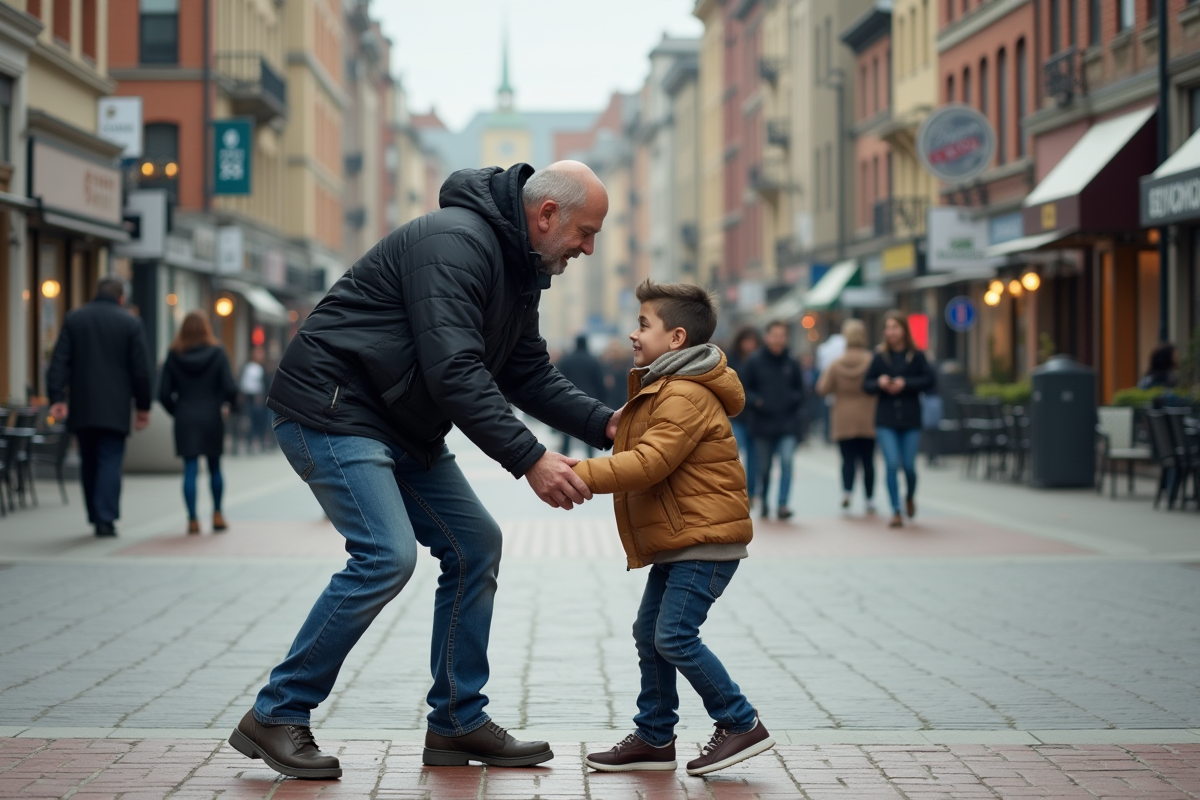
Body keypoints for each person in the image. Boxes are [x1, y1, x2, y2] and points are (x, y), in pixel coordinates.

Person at [227, 161, 618, 780]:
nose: (588, 248)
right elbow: (455, 370)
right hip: (333, 408)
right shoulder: (455, 242)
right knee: (386, 555)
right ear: (546, 215)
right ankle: (277, 712)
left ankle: (457, 719)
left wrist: (608, 426)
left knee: (474, 545)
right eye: (585, 231)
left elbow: (527, 374)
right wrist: (531, 459)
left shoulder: (519, 270)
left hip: (399, 424)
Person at [573, 280, 774, 777]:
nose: (634, 334)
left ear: (677, 337)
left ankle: (740, 722)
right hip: (683, 540)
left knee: (675, 636)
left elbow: (647, 463)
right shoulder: (665, 386)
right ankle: (655, 736)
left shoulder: (683, 394)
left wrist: (574, 474)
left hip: (704, 541)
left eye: (644, 325)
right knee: (651, 633)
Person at [47, 277, 152, 538]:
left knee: (89, 460)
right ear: (120, 298)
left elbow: (58, 361)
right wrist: (143, 406)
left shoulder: (75, 318)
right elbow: (141, 370)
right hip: (115, 407)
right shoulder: (130, 323)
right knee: (109, 460)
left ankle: (95, 514)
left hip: (82, 405)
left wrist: (57, 398)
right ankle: (105, 518)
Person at [158, 311, 239, 535]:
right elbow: (230, 388)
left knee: (190, 469)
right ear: (206, 328)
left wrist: (178, 412)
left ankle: (192, 519)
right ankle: (217, 514)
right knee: (215, 468)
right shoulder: (218, 352)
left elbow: (164, 393)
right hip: (212, 415)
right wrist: (226, 405)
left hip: (185, 416)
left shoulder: (174, 354)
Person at [863, 311, 936, 528]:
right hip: (886, 420)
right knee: (892, 463)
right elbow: (866, 385)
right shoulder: (879, 356)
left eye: (895, 327)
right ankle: (895, 509)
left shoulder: (917, 355)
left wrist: (906, 383)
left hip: (910, 419)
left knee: (909, 466)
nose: (891, 332)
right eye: (888, 327)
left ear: (904, 329)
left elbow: (930, 380)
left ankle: (910, 497)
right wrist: (880, 383)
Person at [742, 321, 805, 520]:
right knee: (765, 467)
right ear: (767, 337)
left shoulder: (792, 362)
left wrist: (794, 400)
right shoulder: (755, 361)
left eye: (782, 336)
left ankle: (783, 504)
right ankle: (765, 501)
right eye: (775, 335)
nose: (778, 340)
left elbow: (802, 391)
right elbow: (743, 389)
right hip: (763, 424)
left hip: (787, 423)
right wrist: (757, 401)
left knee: (787, 461)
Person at [816, 320, 877, 513]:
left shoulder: (836, 363)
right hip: (868, 416)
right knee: (868, 460)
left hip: (843, 417)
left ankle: (847, 493)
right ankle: (869, 499)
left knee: (847, 459)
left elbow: (822, 388)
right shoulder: (872, 361)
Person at [554, 334, 608, 456]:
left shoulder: (566, 360)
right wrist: (603, 399)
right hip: (590, 400)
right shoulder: (593, 360)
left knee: (567, 431)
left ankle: (565, 456)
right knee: (589, 430)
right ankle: (590, 458)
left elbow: (557, 379)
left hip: (569, 398)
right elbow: (599, 381)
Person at [726, 326, 761, 502]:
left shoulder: (760, 361)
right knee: (734, 453)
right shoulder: (731, 359)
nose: (750, 345)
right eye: (747, 341)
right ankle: (736, 489)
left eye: (753, 341)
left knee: (754, 457)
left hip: (755, 416)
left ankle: (752, 492)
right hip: (736, 416)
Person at [237, 347, 269, 453]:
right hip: (248, 396)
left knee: (259, 419)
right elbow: (241, 381)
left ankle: (260, 439)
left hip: (259, 397)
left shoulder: (264, 368)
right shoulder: (247, 367)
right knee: (248, 419)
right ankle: (249, 441)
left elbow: (266, 384)